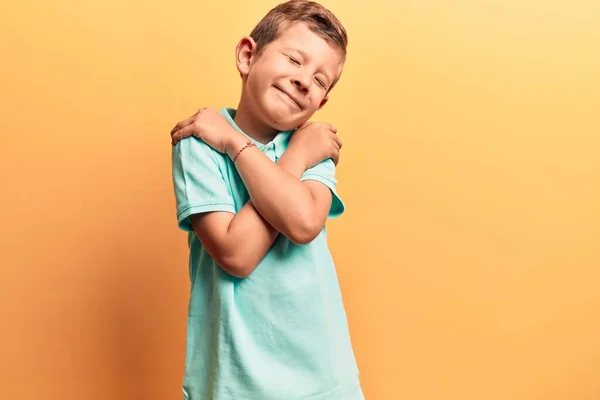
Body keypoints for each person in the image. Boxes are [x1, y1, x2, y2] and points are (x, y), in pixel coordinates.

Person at [169, 1, 363, 399]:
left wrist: (240, 145)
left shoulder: (315, 146)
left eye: (321, 80)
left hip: (323, 379)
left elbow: (304, 222)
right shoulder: (201, 142)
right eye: (294, 59)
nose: (304, 81)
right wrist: (241, 143)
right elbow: (236, 254)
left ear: (321, 103)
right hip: (233, 380)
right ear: (247, 55)